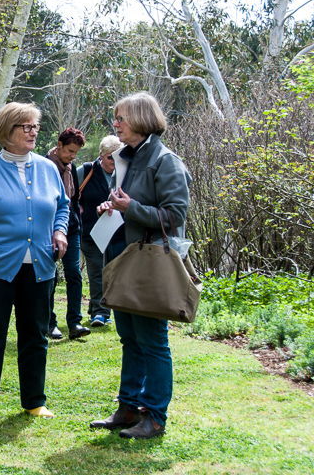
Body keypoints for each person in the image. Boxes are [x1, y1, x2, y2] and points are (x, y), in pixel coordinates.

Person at [0, 102, 70, 425]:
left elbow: (62, 206)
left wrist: (60, 231)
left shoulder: (49, 170)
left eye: (35, 126)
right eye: (26, 127)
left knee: (35, 336)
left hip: (39, 269)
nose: (33, 131)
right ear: (7, 132)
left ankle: (35, 401)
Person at [90, 92, 191, 439]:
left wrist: (130, 208)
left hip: (148, 264)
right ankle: (128, 408)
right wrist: (112, 206)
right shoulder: (124, 158)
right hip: (122, 257)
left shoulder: (166, 161)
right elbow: (129, 205)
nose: (115, 123)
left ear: (143, 119)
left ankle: (155, 416)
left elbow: (174, 216)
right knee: (129, 339)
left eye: (121, 118)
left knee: (152, 342)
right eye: (115, 117)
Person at [45, 128, 91, 340]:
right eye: (70, 151)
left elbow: (73, 200)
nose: (73, 156)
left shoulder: (70, 168)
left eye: (76, 153)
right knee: (50, 277)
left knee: (74, 273)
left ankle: (74, 322)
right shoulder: (44, 166)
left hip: (72, 229)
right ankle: (49, 323)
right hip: (48, 230)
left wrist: (77, 223)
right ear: (59, 145)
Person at [77, 135, 124, 327]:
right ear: (101, 156)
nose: (113, 161)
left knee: (112, 273)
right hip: (89, 231)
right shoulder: (86, 170)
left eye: (117, 157)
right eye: (110, 157)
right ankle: (100, 313)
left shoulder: (124, 172)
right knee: (98, 273)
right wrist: (76, 208)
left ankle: (99, 308)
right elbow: (68, 193)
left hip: (116, 232)